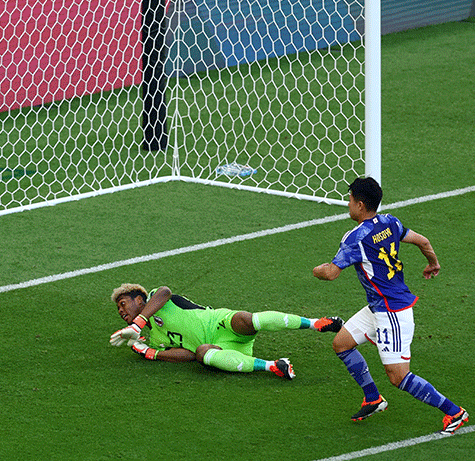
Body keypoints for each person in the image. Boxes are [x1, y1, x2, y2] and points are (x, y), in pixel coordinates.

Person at [313, 176, 467, 435]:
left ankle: (455, 412)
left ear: (360, 205)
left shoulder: (356, 238)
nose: (348, 204)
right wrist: (433, 263)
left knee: (398, 376)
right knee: (341, 344)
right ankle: (373, 398)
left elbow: (330, 273)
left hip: (391, 312)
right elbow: (423, 241)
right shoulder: (390, 222)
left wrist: (316, 270)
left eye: (350, 199)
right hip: (378, 307)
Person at [109, 283, 343, 378]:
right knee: (201, 354)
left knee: (246, 319)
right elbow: (188, 354)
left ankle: (316, 323)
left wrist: (137, 323)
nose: (121, 311)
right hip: (223, 349)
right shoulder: (155, 339)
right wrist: (150, 353)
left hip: (221, 322)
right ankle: (273, 366)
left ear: (139, 299)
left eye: (123, 304)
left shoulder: (155, 299)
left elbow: (165, 291)